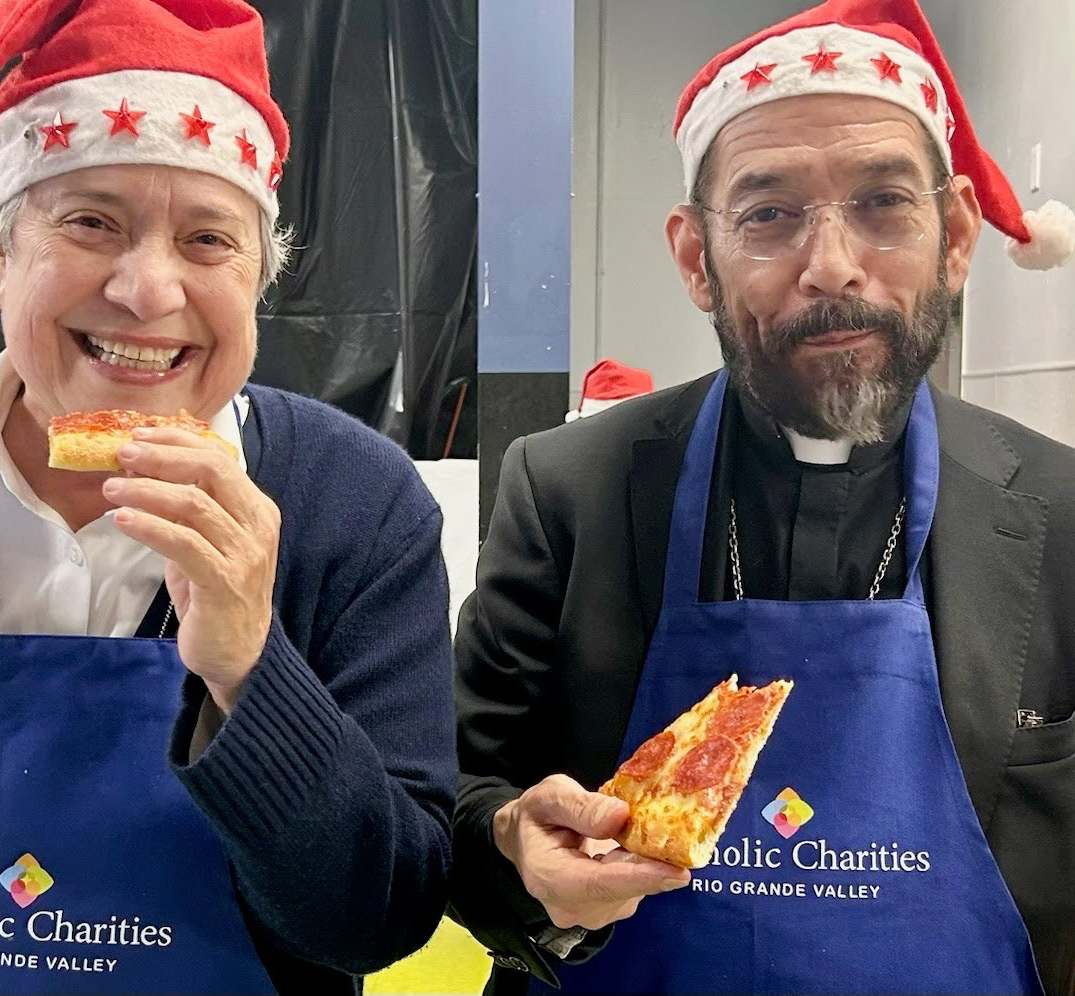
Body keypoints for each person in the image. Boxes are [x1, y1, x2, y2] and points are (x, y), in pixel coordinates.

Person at [0, 1, 455, 992]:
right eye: (93, 222)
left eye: (206, 240)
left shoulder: (355, 505)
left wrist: (248, 669)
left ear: (256, 281)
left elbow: (378, 918)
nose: (147, 291)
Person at [452, 0, 1075, 992]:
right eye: (766, 214)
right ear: (696, 258)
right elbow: (455, 790)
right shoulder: (565, 489)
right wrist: (519, 854)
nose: (828, 266)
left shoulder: (1058, 508)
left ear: (954, 237)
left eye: (881, 203)